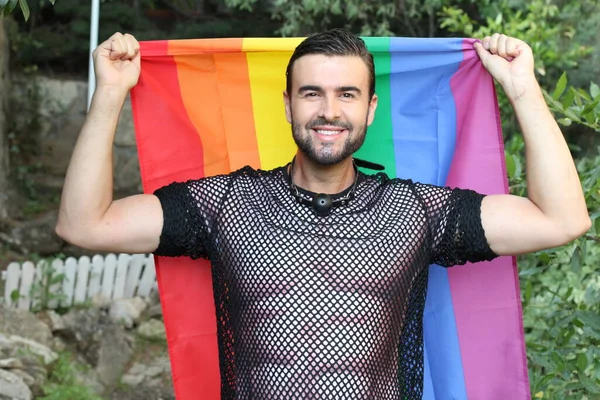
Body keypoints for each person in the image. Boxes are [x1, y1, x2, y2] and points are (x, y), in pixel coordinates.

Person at [56, 29, 590, 399]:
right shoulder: (223, 204)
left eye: (347, 94)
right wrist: (110, 94)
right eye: (311, 93)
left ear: (370, 110)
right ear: (287, 104)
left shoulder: (417, 213)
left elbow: (561, 219)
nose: (329, 111)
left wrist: (523, 89)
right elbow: (84, 224)